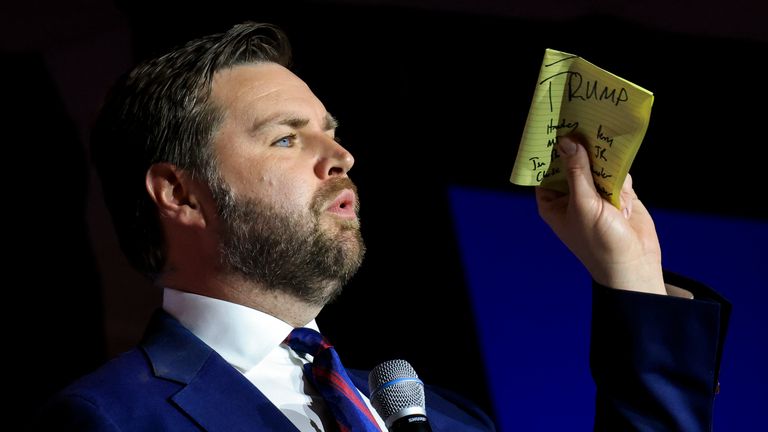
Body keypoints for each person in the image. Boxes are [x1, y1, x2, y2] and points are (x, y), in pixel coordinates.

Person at [38, 22, 730, 431]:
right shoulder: (111, 419)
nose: (340, 156)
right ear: (179, 193)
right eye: (286, 139)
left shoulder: (438, 415)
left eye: (331, 133)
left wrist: (630, 276)